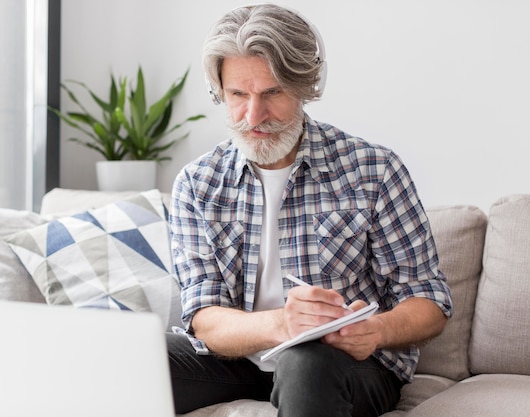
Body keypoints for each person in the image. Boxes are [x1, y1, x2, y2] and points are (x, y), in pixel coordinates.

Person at [167, 4, 453, 417]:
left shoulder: (373, 170)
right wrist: (282, 323)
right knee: (132, 357)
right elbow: (204, 318)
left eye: (271, 93)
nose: (253, 116)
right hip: (236, 364)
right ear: (221, 92)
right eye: (237, 95)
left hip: (345, 365)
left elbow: (429, 300)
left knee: (305, 364)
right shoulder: (197, 184)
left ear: (304, 87)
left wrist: (377, 330)